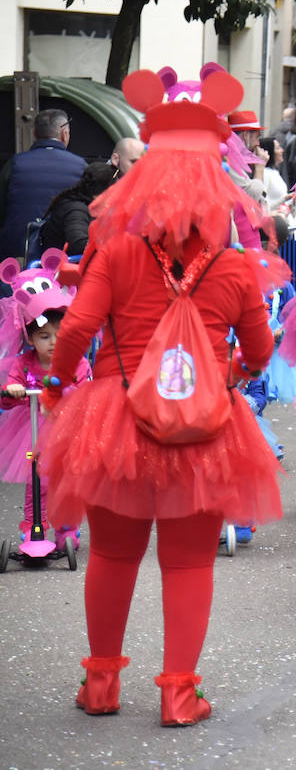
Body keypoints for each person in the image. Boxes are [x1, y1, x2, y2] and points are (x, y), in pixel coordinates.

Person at [40, 67, 283, 726]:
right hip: (203, 424)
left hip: (115, 413)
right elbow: (261, 352)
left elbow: (80, 328)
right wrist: (229, 375)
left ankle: (100, 686)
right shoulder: (233, 266)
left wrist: (60, 386)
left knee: (114, 553)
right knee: (187, 561)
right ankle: (179, 693)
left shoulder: (116, 250)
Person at [0, 269, 91, 544]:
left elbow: (86, 389)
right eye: (44, 336)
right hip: (32, 432)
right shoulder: (23, 364)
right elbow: (7, 397)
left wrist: (73, 390)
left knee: (64, 480)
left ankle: (66, 527)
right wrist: (13, 390)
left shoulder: (77, 362)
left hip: (67, 432)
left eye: (60, 334)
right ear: (29, 338)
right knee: (34, 479)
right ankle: (33, 526)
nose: (53, 342)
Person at [1, 109, 88, 261]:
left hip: (16, 255)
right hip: (62, 258)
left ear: (34, 133)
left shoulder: (14, 164)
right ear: (64, 134)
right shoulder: (81, 166)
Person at [38, 162, 118, 255]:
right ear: (108, 189)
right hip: (60, 266)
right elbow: (78, 244)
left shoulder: (82, 200)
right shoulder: (76, 210)